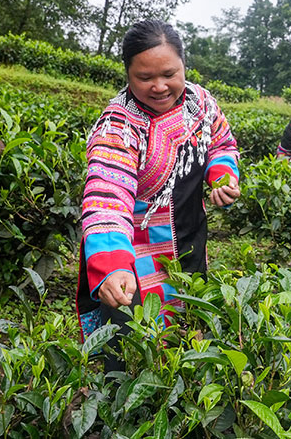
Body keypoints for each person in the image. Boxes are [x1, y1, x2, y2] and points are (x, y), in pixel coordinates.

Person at [75, 20, 240, 369]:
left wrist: (221, 174)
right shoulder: (118, 126)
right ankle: (126, 412)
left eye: (170, 73)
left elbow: (222, 143)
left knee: (191, 324)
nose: (160, 86)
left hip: (190, 232)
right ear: (127, 73)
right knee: (131, 338)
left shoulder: (200, 102)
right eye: (144, 77)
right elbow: (107, 194)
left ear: (184, 65)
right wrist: (111, 263)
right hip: (132, 248)